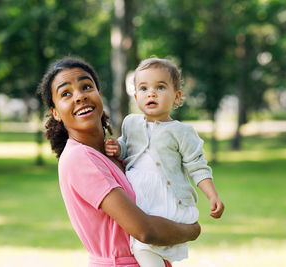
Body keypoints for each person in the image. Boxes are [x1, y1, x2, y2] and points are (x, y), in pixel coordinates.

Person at [37, 56, 201, 267]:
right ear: (56, 112)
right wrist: (191, 230)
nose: (79, 97)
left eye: (86, 86)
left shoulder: (116, 152)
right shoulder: (79, 158)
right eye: (66, 93)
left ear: (98, 94)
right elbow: (144, 230)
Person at [105, 57, 225, 266]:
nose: (151, 93)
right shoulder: (131, 123)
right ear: (136, 96)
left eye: (160, 87)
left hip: (167, 199)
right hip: (141, 199)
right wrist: (117, 147)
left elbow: (197, 166)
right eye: (143, 88)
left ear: (177, 96)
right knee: (144, 247)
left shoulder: (182, 132)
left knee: (154, 245)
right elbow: (126, 146)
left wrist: (212, 195)